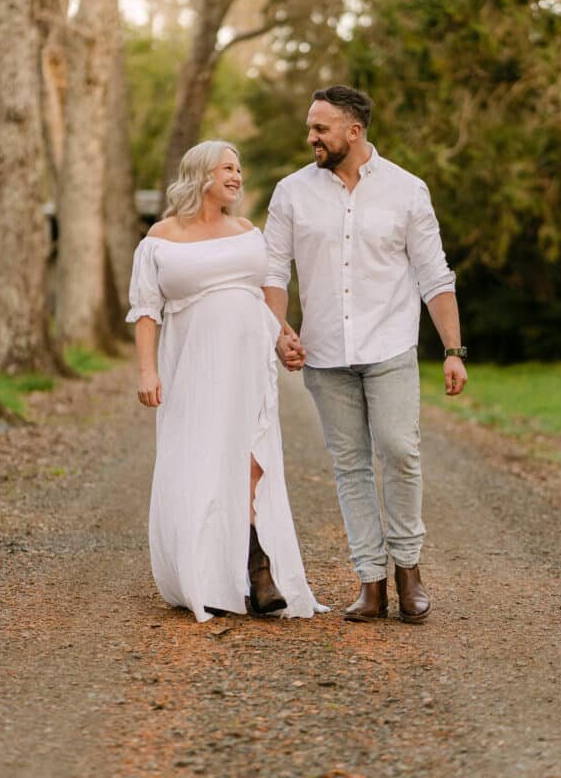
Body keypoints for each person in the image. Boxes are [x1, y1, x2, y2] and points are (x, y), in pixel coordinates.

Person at [263, 86, 468, 624]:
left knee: (400, 451)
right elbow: (273, 270)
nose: (311, 137)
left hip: (390, 345)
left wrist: (453, 349)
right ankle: (370, 581)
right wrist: (279, 329)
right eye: (310, 127)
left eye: (321, 128)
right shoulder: (291, 193)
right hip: (326, 352)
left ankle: (408, 570)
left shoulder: (407, 190)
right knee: (350, 466)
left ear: (354, 131)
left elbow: (435, 275)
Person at [126, 140, 327, 623]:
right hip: (192, 362)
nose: (237, 176)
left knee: (252, 459)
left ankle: (258, 570)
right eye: (228, 168)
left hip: (248, 362)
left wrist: (282, 337)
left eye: (239, 168)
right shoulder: (161, 237)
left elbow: (262, 294)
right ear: (201, 176)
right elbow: (146, 309)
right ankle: (209, 573)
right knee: (202, 458)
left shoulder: (246, 231)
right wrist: (147, 370)